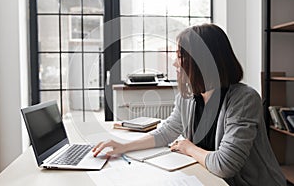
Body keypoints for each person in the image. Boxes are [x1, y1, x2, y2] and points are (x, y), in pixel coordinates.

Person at [92, 24, 286, 186]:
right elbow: (165, 133)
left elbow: (225, 165)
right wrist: (122, 147)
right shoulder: (188, 98)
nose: (176, 64)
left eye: (180, 56)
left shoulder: (244, 100)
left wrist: (188, 147)